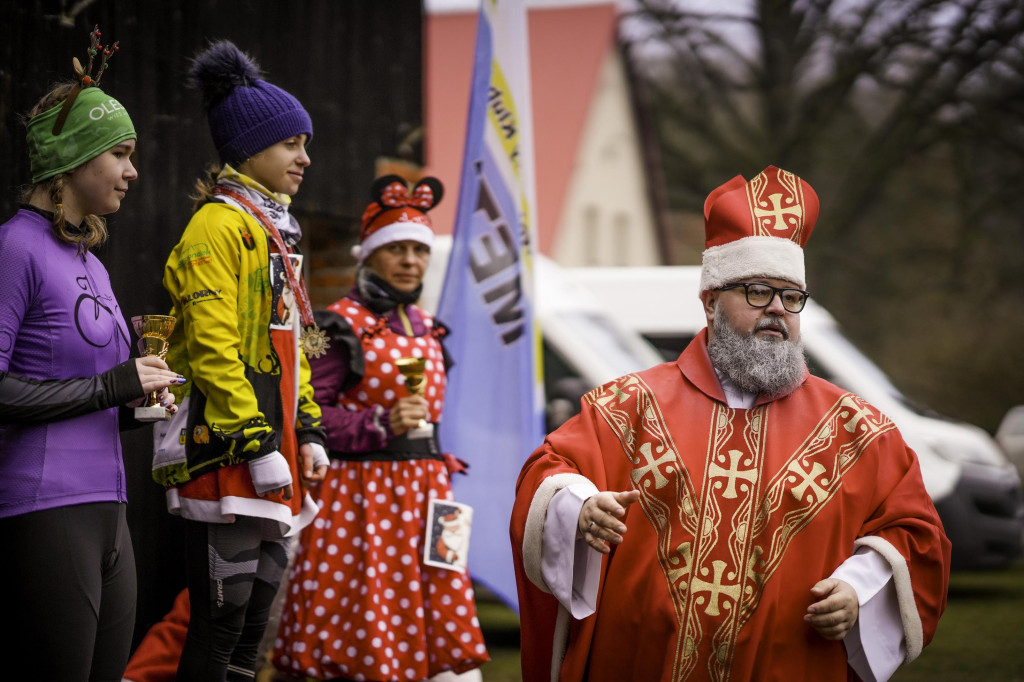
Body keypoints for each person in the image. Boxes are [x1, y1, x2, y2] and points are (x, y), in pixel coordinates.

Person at [510, 166, 952, 682]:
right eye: (758, 292)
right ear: (710, 301)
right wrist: (577, 508)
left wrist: (860, 585)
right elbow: (547, 472)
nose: (777, 312)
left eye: (791, 298)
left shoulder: (858, 430)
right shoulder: (627, 406)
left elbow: (915, 534)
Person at [0, 26, 183, 681]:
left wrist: (137, 404)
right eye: (122, 154)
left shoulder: (93, 263)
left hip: (111, 512)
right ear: (74, 159)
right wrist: (112, 386)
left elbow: (90, 392)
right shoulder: (15, 248)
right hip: (43, 509)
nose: (134, 172)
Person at [154, 41, 329, 681]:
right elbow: (212, 346)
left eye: (306, 144)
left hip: (276, 442)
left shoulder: (278, 228)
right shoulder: (216, 228)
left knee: (257, 622)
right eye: (291, 144)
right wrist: (255, 440)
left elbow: (292, 342)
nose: (305, 158)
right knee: (221, 622)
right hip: (231, 447)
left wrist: (305, 424)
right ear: (247, 151)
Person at [271, 175, 489, 682]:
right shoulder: (333, 328)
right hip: (361, 500)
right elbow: (305, 414)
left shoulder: (429, 327)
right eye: (398, 249)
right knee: (361, 632)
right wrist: (377, 422)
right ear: (367, 256)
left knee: (438, 619)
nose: (411, 260)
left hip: (428, 497)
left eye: (420, 249)